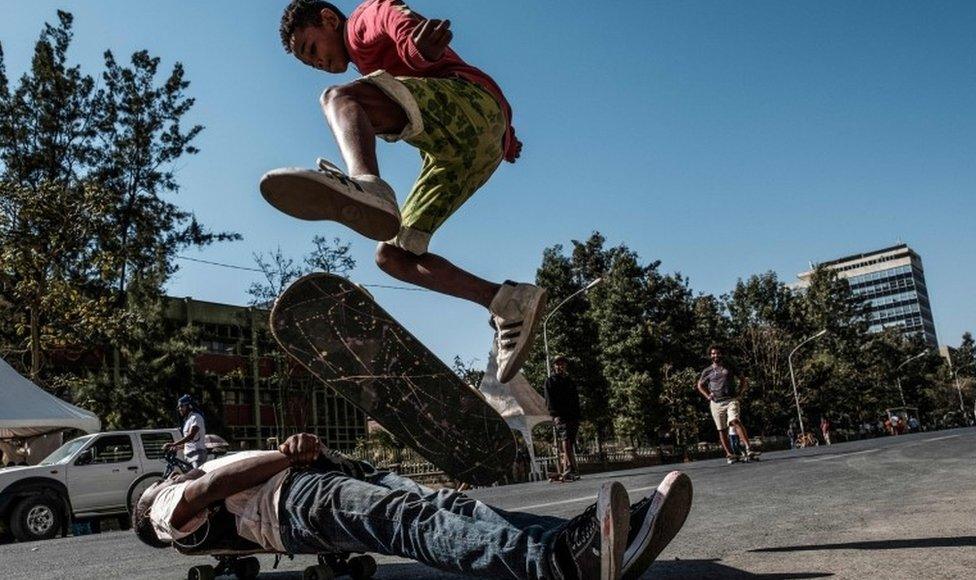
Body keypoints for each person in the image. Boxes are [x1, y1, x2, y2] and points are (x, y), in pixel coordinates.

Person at [262, 0, 546, 384]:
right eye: (309, 64)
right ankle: (506, 302)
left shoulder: (362, 21)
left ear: (329, 19)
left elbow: (395, 19)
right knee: (392, 256)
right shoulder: (365, 61)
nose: (318, 64)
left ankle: (367, 183)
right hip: (466, 151)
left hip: (471, 106)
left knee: (338, 98)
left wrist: (415, 47)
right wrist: (506, 140)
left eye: (312, 49)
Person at [133, 432, 694, 580]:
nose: (164, 477)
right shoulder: (159, 509)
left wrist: (314, 454)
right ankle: (563, 566)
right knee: (413, 522)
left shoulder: (193, 470)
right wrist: (283, 457)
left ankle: (590, 538)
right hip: (293, 505)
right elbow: (202, 497)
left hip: (323, 477)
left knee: (456, 508)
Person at [696, 345, 758, 463]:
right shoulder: (707, 371)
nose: (716, 355)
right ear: (710, 355)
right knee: (722, 429)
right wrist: (708, 395)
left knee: (735, 420)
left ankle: (748, 449)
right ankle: (730, 454)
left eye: (718, 353)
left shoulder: (729, 366)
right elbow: (700, 385)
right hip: (716, 403)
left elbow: (743, 380)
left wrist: (740, 393)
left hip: (730, 399)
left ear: (722, 354)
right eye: (713, 353)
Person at [544, 356, 582, 482]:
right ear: (554, 366)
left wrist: (578, 415)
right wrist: (554, 415)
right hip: (561, 416)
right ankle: (572, 467)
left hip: (573, 415)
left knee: (570, 441)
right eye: (558, 364)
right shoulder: (550, 381)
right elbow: (549, 400)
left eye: (563, 364)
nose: (561, 366)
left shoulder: (569, 381)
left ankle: (566, 468)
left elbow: (576, 399)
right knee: (565, 439)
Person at [164, 395, 208, 468]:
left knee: (196, 478)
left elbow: (191, 436)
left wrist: (173, 444)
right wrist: (177, 447)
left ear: (189, 406)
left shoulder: (196, 417)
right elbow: (190, 442)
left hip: (197, 455)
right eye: (178, 407)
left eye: (182, 406)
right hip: (188, 456)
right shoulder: (188, 420)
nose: (179, 409)